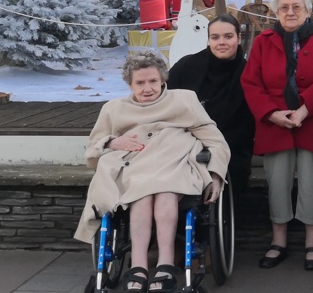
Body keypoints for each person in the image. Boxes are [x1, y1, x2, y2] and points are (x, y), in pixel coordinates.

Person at [74, 52, 230, 293]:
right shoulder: (114, 109)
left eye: (153, 81)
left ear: (163, 80)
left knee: (166, 194)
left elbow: (216, 141)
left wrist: (217, 176)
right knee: (142, 197)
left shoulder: (184, 100)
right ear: (130, 84)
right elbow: (93, 148)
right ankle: (138, 267)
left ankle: (165, 264)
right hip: (136, 167)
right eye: (140, 83)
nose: (147, 88)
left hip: (174, 163)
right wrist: (113, 142)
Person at [242, 0, 313, 271]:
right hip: (274, 124)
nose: (290, 12)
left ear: (308, 11)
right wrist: (271, 113)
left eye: (296, 7)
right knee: (277, 183)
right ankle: (278, 241)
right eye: (284, 7)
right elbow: (251, 83)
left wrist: (304, 110)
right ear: (276, 12)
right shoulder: (263, 42)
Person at [169, 14, 255, 206]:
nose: (221, 42)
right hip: (185, 140)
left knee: (234, 169)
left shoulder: (249, 73)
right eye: (215, 37)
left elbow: (247, 123)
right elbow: (165, 103)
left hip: (230, 144)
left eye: (228, 36)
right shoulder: (187, 66)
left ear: (238, 38)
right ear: (208, 40)